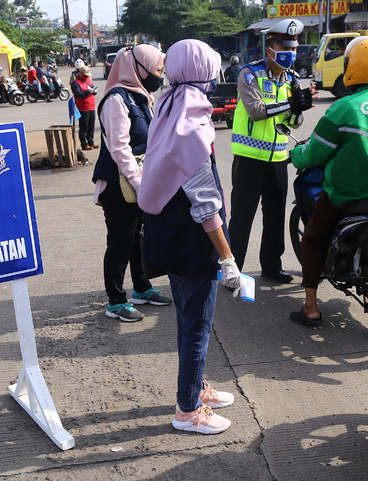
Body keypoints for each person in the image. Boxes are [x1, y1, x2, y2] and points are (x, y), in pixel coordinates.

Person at [140, 39, 239, 434]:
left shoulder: (168, 106)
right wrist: (228, 258)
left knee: (187, 322)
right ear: (204, 73)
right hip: (194, 244)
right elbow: (206, 206)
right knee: (196, 328)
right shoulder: (192, 124)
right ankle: (187, 411)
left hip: (171, 237)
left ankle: (195, 389)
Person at [288, 37, 368, 327]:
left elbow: (315, 153)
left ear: (352, 67)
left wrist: (295, 155)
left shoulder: (342, 108)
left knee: (314, 237)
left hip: (348, 195)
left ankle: (310, 308)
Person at [228, 18, 314, 284]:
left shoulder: (292, 79)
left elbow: (292, 122)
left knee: (275, 218)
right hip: (248, 159)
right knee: (242, 218)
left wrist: (299, 109)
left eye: (294, 50)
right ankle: (232, 270)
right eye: (285, 49)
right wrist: (290, 103)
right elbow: (256, 111)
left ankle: (272, 267)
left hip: (278, 159)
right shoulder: (249, 74)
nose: (291, 55)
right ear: (269, 49)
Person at [92, 45, 172, 322]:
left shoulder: (141, 96)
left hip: (139, 182)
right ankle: (115, 301)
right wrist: (140, 184)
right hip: (120, 186)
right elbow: (120, 149)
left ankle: (142, 288)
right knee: (120, 242)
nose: (159, 75)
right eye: (157, 69)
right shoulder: (116, 100)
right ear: (138, 67)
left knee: (139, 237)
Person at [71, 64, 97, 150]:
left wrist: (94, 91)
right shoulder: (75, 83)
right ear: (81, 73)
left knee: (91, 126)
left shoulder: (88, 80)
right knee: (84, 127)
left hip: (91, 107)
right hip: (83, 108)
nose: (87, 77)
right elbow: (78, 94)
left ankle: (91, 142)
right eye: (85, 75)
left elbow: (92, 89)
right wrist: (88, 91)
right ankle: (84, 144)